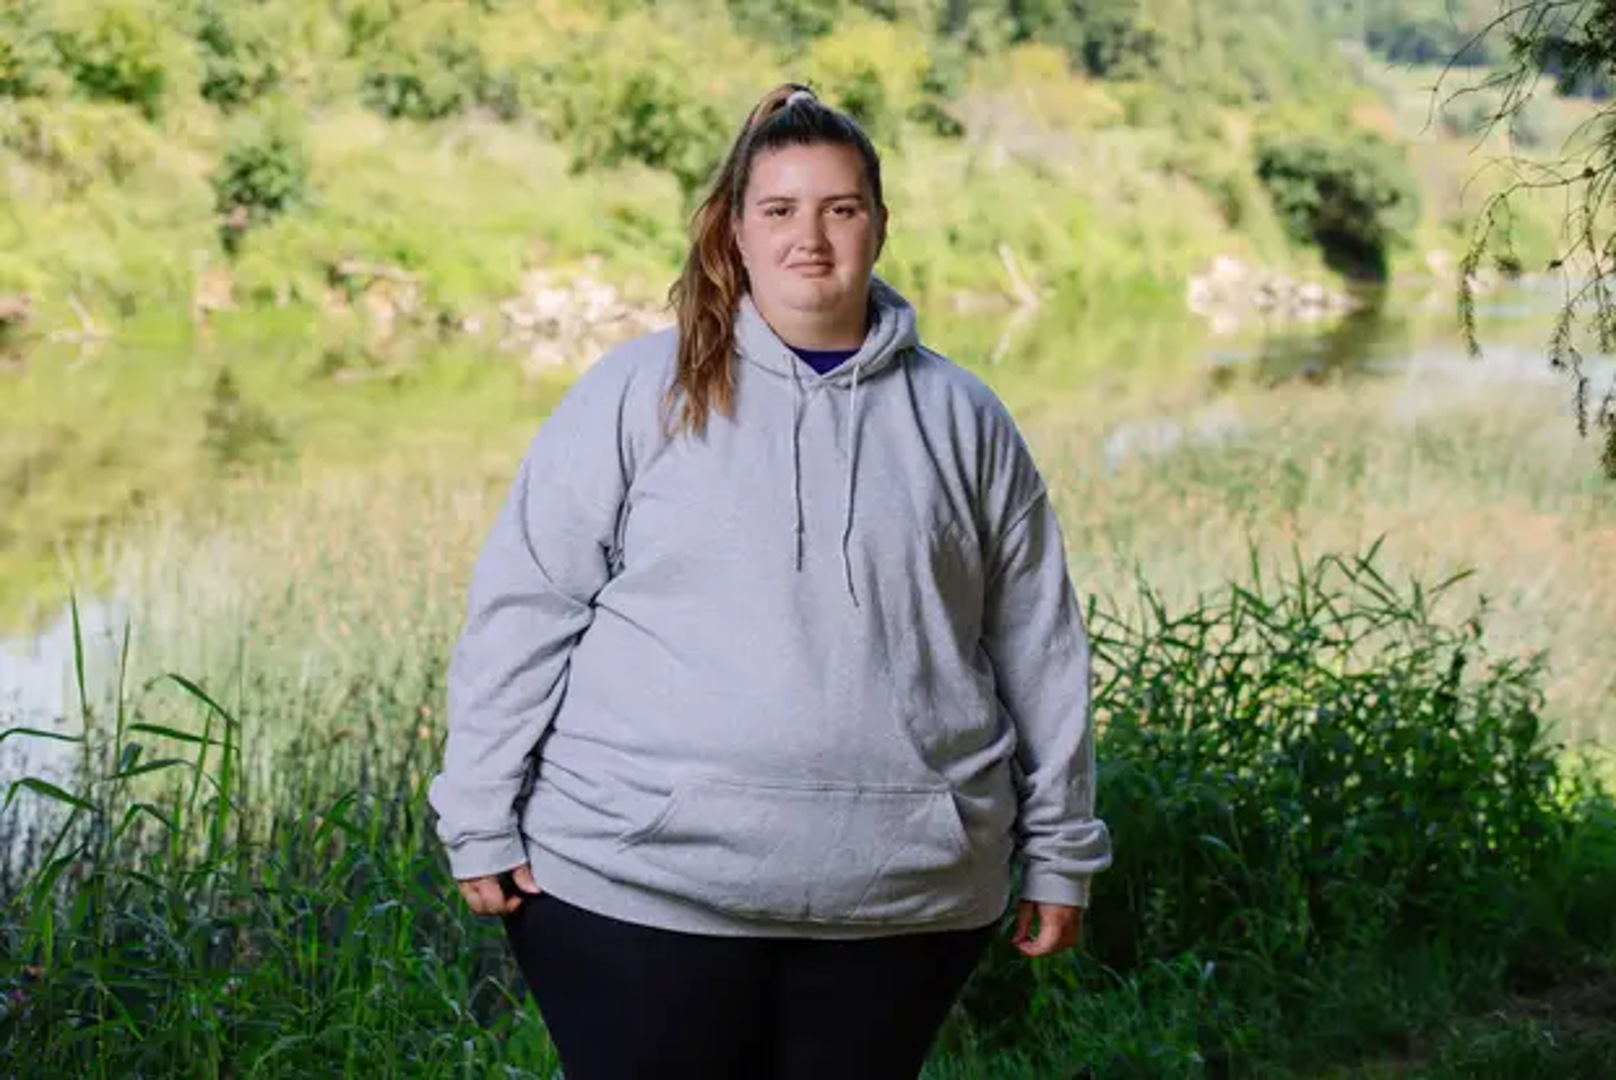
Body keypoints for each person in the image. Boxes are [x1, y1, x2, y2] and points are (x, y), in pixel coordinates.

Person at [427, 82, 1113, 1080]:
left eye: (841, 208)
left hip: (904, 897)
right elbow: (525, 610)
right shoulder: (637, 393)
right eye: (780, 209)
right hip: (638, 885)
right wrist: (478, 812)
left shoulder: (964, 419)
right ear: (736, 231)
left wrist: (1060, 848)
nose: (811, 240)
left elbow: (1039, 647)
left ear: (880, 225)